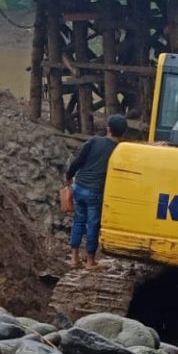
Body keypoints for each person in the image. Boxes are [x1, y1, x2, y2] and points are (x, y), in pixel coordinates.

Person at [64, 114, 127, 267]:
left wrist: (69, 176)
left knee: (78, 221)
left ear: (108, 128)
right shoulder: (120, 150)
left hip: (80, 186)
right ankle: (91, 261)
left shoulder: (93, 141)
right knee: (92, 224)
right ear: (123, 132)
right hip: (96, 191)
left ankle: (74, 258)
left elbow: (78, 160)